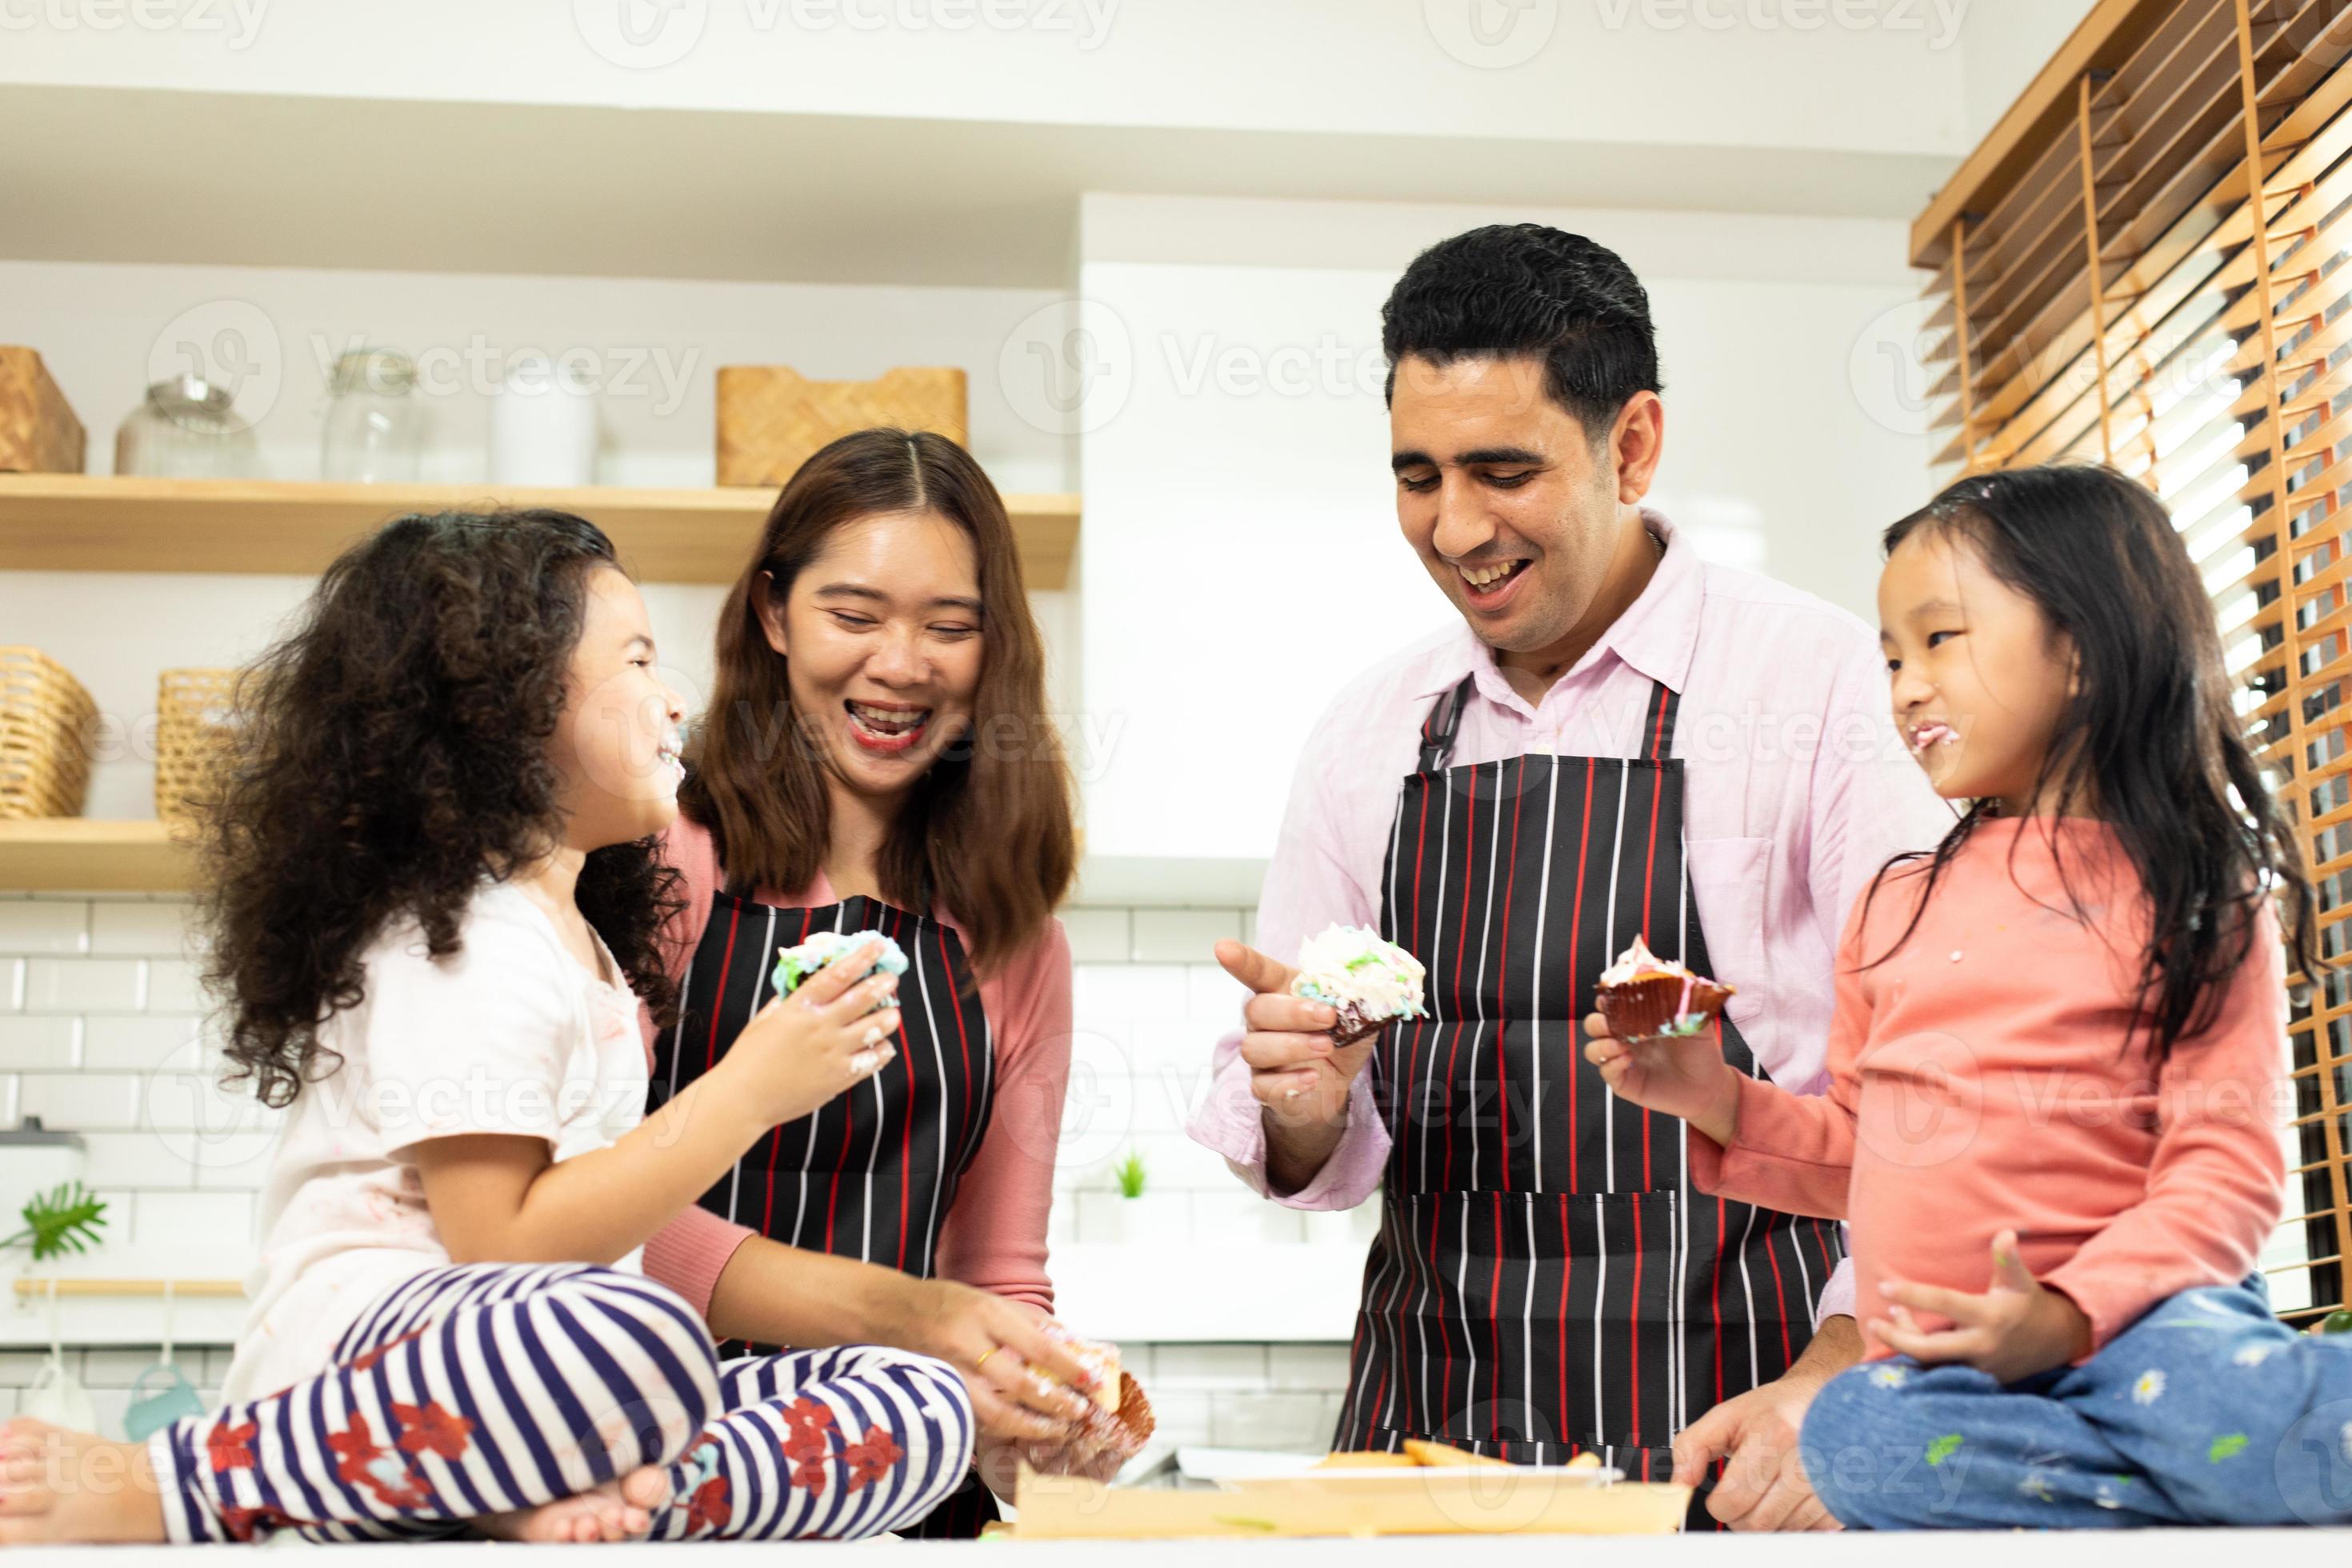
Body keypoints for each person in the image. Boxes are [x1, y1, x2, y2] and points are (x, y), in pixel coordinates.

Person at [0, 510, 986, 1546]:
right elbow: (502, 1247)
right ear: (513, 711)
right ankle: (184, 1485)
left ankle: (595, 1502)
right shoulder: (467, 936)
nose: (675, 699)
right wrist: (747, 1094)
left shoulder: (581, 948)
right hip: (381, 1371)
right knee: (645, 1334)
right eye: (638, 661)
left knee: (919, 1403)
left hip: (534, 1388)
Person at [1188, 224, 1952, 1530]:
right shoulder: (1369, 733)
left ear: (1633, 445)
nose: (1455, 527)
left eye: (1503, 471)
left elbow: (1934, 1093)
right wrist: (1306, 1099)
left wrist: (1841, 1372)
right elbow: (1314, 1151)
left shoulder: (1823, 686)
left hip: (1748, 1440)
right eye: (1418, 476)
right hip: (1433, 1449)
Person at [1590, 464, 2352, 1528]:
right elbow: (1863, 1150)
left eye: (1940, 640)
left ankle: (2203, 1465)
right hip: (1959, 1377)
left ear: (2081, 647)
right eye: (1893, 657)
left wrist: (2068, 1315)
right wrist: (1713, 1098)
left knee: (2209, 1399)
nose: (1905, 687)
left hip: (2148, 1332)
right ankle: (2190, 1496)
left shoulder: (2197, 895)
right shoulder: (1894, 906)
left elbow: (2225, 1173)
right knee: (1855, 1437)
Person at [639, 428, 1118, 1534]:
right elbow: (584, 1221)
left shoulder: (1017, 940)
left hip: (907, 1488)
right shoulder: (668, 862)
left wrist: (1038, 1404)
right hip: (662, 1463)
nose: (902, 666)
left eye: (950, 626)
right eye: (854, 616)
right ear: (774, 614)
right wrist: (909, 1316)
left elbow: (999, 1273)